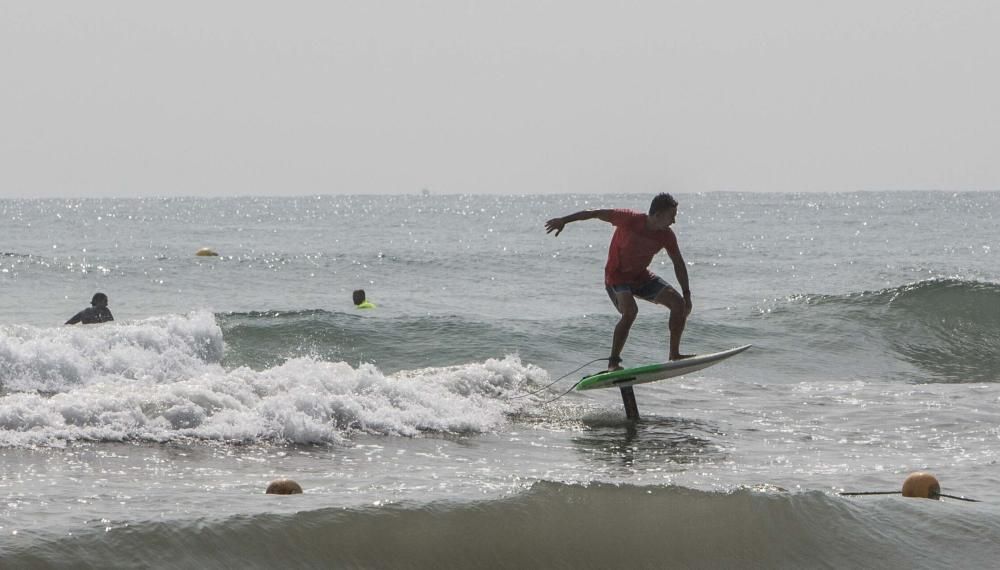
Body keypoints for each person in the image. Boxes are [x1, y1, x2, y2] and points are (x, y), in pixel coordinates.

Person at [546, 193, 692, 370]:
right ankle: (613, 362)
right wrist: (564, 220)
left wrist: (686, 294)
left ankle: (674, 355)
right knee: (630, 312)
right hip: (616, 277)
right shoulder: (629, 219)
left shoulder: (667, 235)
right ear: (658, 214)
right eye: (672, 216)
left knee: (679, 305)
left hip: (640, 276)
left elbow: (678, 263)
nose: (674, 221)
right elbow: (595, 213)